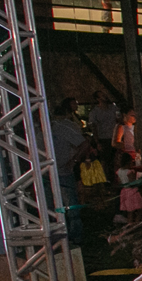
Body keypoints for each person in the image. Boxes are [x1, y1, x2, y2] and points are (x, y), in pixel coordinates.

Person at [50, 99, 91, 247]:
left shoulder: (64, 127)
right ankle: (56, 236)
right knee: (50, 206)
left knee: (70, 204)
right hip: (45, 174)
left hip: (63, 172)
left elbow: (84, 143)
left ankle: (75, 236)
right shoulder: (36, 130)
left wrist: (73, 161)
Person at [89, 90, 121, 176]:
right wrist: (97, 142)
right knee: (104, 160)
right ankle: (105, 178)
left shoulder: (114, 108)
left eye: (104, 95)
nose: (105, 97)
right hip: (103, 138)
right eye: (102, 95)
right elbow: (93, 127)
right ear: (98, 99)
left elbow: (119, 119)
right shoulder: (94, 112)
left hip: (115, 137)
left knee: (116, 159)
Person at [114, 151, 142, 226]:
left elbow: (120, 182)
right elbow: (132, 182)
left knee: (130, 211)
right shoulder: (130, 172)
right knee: (141, 208)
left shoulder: (119, 171)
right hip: (132, 192)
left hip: (124, 192)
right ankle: (136, 222)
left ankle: (130, 225)